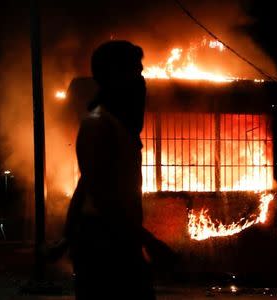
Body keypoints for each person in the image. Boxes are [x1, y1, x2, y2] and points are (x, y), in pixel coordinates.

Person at [46, 40, 176, 300]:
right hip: (104, 244)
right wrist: (149, 242)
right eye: (136, 73)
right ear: (114, 77)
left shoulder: (118, 125)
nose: (143, 82)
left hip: (114, 240)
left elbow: (85, 185)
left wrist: (67, 236)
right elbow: (101, 197)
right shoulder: (98, 124)